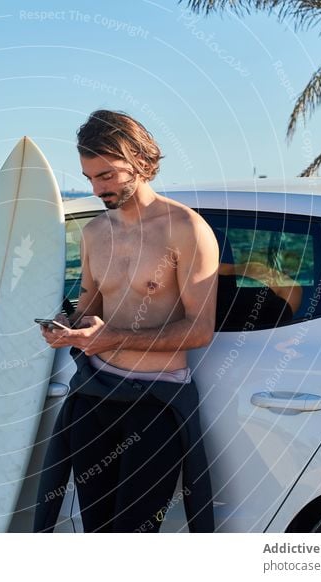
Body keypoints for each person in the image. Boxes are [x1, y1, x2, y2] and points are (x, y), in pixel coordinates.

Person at [34, 110, 218, 533]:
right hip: (94, 395)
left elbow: (199, 329)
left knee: (133, 535)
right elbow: (87, 309)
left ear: (138, 160)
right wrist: (65, 326)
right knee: (97, 529)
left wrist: (110, 337)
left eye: (107, 175)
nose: (98, 189)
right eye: (90, 178)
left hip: (156, 403)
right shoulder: (95, 233)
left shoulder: (185, 228)